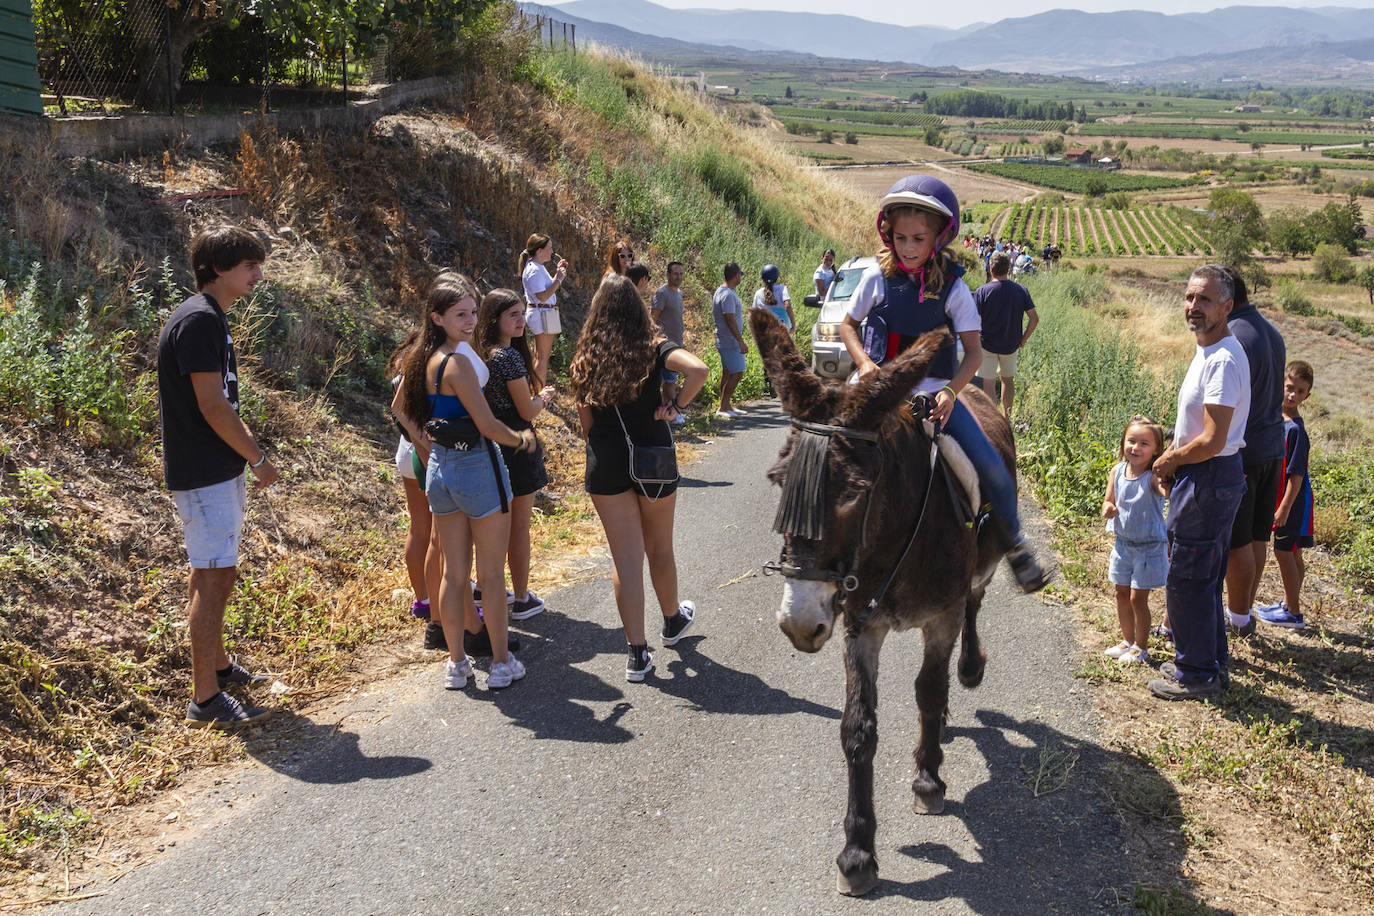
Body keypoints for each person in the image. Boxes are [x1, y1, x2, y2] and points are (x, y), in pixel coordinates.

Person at [837, 174, 1049, 593]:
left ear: (938, 237)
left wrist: (951, 393)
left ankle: (1016, 543)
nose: (909, 247)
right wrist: (862, 362)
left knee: (991, 465)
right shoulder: (876, 279)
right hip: (878, 387)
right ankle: (815, 539)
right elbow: (848, 323)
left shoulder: (953, 289)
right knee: (823, 445)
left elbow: (973, 352)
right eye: (900, 238)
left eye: (918, 238)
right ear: (889, 234)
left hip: (933, 395)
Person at [393, 273, 539, 692]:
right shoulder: (457, 362)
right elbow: (489, 425)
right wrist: (521, 439)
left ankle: (457, 665)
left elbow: (399, 409)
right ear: (437, 317)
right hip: (477, 467)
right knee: (491, 576)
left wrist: (427, 446)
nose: (471, 320)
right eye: (461, 314)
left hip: (441, 469)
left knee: (454, 575)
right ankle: (500, 663)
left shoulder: (422, 358)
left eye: (474, 312)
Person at [158, 225, 276, 729]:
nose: (258, 274)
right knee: (214, 577)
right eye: (249, 265)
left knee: (209, 572)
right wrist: (256, 456)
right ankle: (205, 699)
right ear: (218, 270)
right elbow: (212, 405)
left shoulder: (209, 318)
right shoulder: (201, 321)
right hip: (204, 472)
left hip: (212, 469)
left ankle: (219, 669)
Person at [571, 275, 709, 682]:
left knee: (625, 558)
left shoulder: (585, 358)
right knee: (659, 548)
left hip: (606, 463)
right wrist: (675, 405)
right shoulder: (652, 348)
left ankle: (636, 654)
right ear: (636, 308)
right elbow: (698, 369)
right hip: (652, 458)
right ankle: (671, 620)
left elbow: (586, 426)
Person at [1147, 264, 1250, 702]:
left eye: (1204, 299)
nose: (1193, 306)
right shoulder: (1207, 350)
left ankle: (1195, 673)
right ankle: (1209, 663)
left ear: (1226, 307)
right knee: (1203, 576)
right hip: (1207, 476)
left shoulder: (1224, 358)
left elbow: (1212, 440)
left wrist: (1167, 461)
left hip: (1208, 476)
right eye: (1189, 297)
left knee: (1187, 576)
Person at [478, 288, 557, 622]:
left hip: (491, 443)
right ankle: (522, 597)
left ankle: (490, 592)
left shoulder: (480, 353)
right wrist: (545, 399)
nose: (521, 319)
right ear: (495, 318)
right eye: (513, 314)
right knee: (518, 527)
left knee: (493, 527)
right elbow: (526, 407)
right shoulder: (507, 357)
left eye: (522, 312)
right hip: (518, 441)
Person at [1221, 268, 1286, 639]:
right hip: (1272, 447)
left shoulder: (1235, 337)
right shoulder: (1270, 331)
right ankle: (1243, 608)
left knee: (1237, 540)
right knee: (1258, 536)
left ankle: (1237, 615)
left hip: (1244, 450)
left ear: (1228, 299)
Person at [387, 331, 445, 651]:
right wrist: (427, 448)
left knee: (418, 528)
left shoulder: (405, 365)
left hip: (405, 451)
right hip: (423, 453)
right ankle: (442, 603)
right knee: (440, 535)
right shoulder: (429, 365)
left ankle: (422, 599)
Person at [1101, 416, 1169, 666]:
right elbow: (1108, 500)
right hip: (1123, 545)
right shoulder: (1117, 471)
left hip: (1148, 548)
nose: (1136, 448)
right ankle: (1127, 641)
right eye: (1131, 441)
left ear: (1156, 450)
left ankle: (1141, 646)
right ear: (1123, 443)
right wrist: (1108, 507)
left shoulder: (1152, 477)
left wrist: (1169, 481)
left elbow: (1165, 491)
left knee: (1137, 599)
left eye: (1144, 444)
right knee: (1121, 593)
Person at [1256, 360, 1315, 630]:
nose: (1292, 395)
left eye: (1299, 391)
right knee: (1294, 554)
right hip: (1284, 501)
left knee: (1284, 553)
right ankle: (1289, 602)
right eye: (1289, 388)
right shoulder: (1276, 419)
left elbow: (1297, 475)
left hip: (1293, 503)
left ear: (1307, 395)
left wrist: (1284, 508)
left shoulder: (1296, 431)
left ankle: (1293, 612)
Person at [972, 252, 1039, 418]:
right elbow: (1034, 319)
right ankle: (1007, 418)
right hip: (1011, 345)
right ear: (1009, 269)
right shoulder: (1021, 290)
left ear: (991, 269)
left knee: (988, 383)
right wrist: (1023, 339)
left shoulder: (982, 291)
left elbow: (972, 321)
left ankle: (993, 420)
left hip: (986, 345)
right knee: (1007, 381)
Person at [519, 233, 568, 389]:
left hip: (546, 312)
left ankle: (535, 389)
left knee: (540, 356)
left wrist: (558, 274)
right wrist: (558, 279)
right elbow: (543, 296)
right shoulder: (533, 270)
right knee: (542, 358)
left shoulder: (538, 268)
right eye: (549, 248)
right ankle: (538, 393)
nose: (552, 251)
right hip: (542, 313)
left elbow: (546, 291)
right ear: (539, 250)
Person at [651, 260, 688, 426]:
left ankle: (668, 411)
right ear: (668, 275)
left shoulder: (678, 293)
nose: (678, 277)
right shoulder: (662, 293)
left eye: (681, 274)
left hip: (677, 343)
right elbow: (653, 318)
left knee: (671, 379)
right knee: (670, 381)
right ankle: (673, 413)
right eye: (675, 273)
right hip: (665, 345)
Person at [712, 262, 748, 419]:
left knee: (727, 372)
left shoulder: (722, 291)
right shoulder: (727, 295)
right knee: (738, 373)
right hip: (730, 341)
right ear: (736, 275)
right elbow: (729, 318)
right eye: (740, 274)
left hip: (725, 340)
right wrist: (740, 340)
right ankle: (723, 407)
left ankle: (726, 405)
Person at [753, 264, 795, 331]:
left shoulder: (758, 293)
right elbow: (787, 305)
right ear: (776, 277)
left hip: (766, 331)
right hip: (783, 329)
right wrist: (793, 324)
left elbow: (754, 314)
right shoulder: (782, 289)